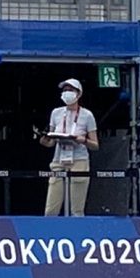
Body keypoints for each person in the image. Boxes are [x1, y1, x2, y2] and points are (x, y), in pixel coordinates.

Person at [39, 78, 98, 217]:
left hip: (79, 160)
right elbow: (50, 142)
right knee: (51, 208)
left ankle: (78, 234)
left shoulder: (87, 115)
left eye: (70, 90)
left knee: (77, 209)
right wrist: (44, 138)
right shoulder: (56, 113)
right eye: (64, 90)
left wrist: (82, 140)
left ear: (78, 94)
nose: (67, 93)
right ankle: (50, 234)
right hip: (59, 159)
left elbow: (95, 145)